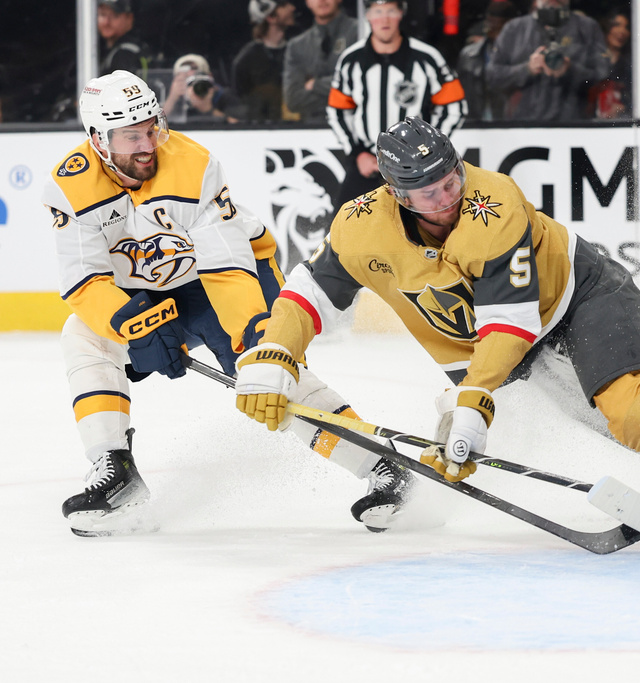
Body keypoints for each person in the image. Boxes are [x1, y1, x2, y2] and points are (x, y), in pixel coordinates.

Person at [233, 117, 640, 500]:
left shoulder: (495, 203)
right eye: (431, 193)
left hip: (579, 296)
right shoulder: (360, 227)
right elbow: (307, 291)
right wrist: (277, 348)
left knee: (634, 416)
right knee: (621, 431)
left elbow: (511, 323)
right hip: (502, 346)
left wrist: (473, 401)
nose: (450, 197)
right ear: (397, 195)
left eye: (452, 179)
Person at [42, 71, 412, 537]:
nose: (146, 144)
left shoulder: (193, 164)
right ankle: (115, 473)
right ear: (98, 139)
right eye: (130, 135)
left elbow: (226, 265)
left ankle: (381, 466)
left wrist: (257, 333)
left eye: (152, 127)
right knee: (82, 335)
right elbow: (84, 279)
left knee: (263, 375)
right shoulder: (69, 186)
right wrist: (128, 326)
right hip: (146, 293)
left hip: (227, 278)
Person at [327, 0, 467, 207]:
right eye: (378, 11)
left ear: (401, 14)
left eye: (391, 11)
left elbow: (454, 107)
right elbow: (337, 111)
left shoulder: (427, 58)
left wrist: (429, 151)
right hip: (367, 162)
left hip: (419, 167)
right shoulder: (351, 60)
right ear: (368, 16)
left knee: (427, 226)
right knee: (343, 226)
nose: (384, 18)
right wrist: (357, 154)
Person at [486, 0, 610, 121]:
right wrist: (527, 69)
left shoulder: (588, 28)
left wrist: (570, 70)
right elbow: (491, 77)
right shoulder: (514, 29)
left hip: (575, 125)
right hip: (522, 125)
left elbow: (604, 76)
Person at [283, 0, 360, 124]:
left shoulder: (361, 33)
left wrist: (316, 85)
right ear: (307, 2)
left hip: (355, 124)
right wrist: (341, 92)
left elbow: (359, 84)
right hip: (313, 132)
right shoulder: (297, 46)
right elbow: (293, 100)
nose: (322, 1)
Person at [232, 0, 298, 122]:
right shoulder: (246, 59)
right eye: (283, 5)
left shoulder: (297, 51)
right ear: (271, 17)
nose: (292, 8)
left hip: (295, 126)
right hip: (259, 129)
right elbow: (241, 100)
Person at [456, 0, 519, 121]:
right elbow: (462, 94)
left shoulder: (523, 56)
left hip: (513, 122)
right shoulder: (470, 55)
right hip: (476, 122)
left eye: (500, 26)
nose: (494, 26)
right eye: (491, 21)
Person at [588, 8, 630, 120]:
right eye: (617, 25)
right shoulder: (591, 59)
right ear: (606, 28)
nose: (622, 31)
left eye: (626, 27)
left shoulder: (629, 63)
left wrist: (623, 107)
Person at [97, 0, 154, 78]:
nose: (106, 22)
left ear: (129, 18)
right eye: (102, 15)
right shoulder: (106, 50)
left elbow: (124, 89)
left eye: (115, 15)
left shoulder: (124, 54)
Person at [182, 71, 249, 124]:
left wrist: (208, 109)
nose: (199, 89)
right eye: (192, 85)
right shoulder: (181, 111)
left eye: (204, 86)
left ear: (212, 90)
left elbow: (238, 123)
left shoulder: (227, 105)